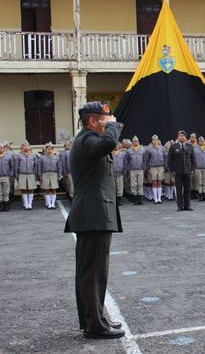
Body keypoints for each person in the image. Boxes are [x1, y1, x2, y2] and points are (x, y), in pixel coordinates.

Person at [64, 101, 125, 339]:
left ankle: (94, 319)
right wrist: (111, 127)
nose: (109, 124)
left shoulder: (89, 141)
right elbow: (110, 142)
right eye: (104, 120)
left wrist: (108, 126)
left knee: (91, 271)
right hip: (93, 215)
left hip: (94, 214)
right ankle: (95, 325)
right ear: (92, 122)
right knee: (94, 271)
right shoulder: (87, 139)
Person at [167, 130, 194, 211]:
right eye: (180, 136)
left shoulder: (189, 146)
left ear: (186, 137)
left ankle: (187, 205)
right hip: (177, 171)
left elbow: (193, 159)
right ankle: (179, 206)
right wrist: (172, 170)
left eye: (183, 136)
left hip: (187, 171)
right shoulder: (173, 147)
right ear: (178, 137)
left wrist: (192, 169)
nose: (182, 137)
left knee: (187, 189)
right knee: (179, 189)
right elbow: (170, 160)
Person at [38, 142, 62, 209]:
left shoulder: (56, 157)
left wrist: (59, 175)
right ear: (46, 150)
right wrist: (40, 175)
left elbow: (59, 167)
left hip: (54, 174)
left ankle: (53, 203)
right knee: (47, 189)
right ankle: (49, 204)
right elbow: (39, 167)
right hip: (45, 174)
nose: (49, 150)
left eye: (51, 149)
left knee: (53, 189)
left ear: (53, 150)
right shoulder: (42, 158)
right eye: (48, 149)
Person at [144, 135, 167, 204]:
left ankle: (159, 198)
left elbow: (165, 158)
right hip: (152, 167)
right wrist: (147, 169)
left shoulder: (162, 148)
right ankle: (155, 199)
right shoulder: (149, 149)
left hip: (161, 167)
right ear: (152, 141)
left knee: (159, 182)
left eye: (156, 140)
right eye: (153, 140)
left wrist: (165, 166)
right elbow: (146, 160)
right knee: (154, 182)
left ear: (158, 140)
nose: (155, 141)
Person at [15, 141, 38, 210]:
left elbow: (35, 166)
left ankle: (30, 204)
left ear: (30, 147)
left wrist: (35, 175)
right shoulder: (19, 156)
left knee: (31, 189)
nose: (26, 147)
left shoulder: (33, 155)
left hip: (31, 174)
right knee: (23, 189)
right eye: (24, 146)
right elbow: (16, 167)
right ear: (22, 147)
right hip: (22, 174)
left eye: (27, 145)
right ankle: (26, 203)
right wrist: (17, 176)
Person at [125, 136, 145, 205]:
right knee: (133, 185)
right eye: (134, 141)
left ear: (138, 142)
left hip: (140, 169)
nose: (135, 142)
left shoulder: (142, 150)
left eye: (136, 141)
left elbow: (144, 160)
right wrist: (127, 170)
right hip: (132, 170)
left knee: (140, 184)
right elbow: (126, 161)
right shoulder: (129, 151)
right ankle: (135, 200)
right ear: (132, 143)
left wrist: (144, 168)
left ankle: (140, 199)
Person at [0, 141, 15, 211]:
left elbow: (12, 166)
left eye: (1, 148)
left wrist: (11, 175)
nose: (0, 149)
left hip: (6, 176)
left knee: (6, 191)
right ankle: (1, 205)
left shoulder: (8, 156)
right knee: (0, 192)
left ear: (4, 148)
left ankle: (6, 205)